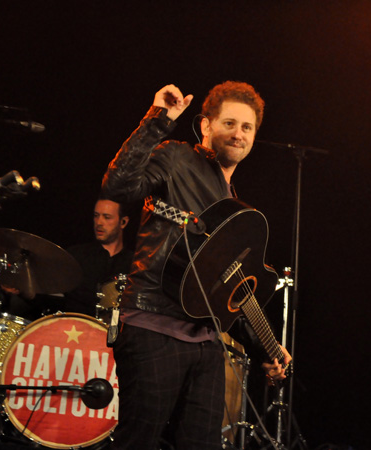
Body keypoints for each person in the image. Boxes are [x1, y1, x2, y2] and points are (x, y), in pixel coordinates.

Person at [101, 81, 291, 450]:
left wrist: (266, 348)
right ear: (206, 126)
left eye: (247, 127)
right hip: (154, 326)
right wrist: (158, 119)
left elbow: (232, 292)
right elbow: (119, 186)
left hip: (205, 343)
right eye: (230, 124)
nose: (239, 134)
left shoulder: (233, 202)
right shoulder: (177, 158)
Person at [64, 197, 134, 317]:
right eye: (96, 216)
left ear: (123, 222)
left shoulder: (135, 264)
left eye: (107, 217)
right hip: (75, 328)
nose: (99, 222)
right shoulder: (75, 256)